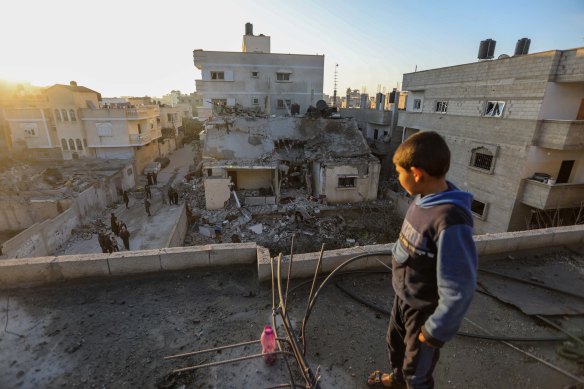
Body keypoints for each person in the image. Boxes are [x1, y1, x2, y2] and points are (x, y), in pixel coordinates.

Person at [367, 131, 477, 389]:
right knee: (395, 346)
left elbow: (459, 288)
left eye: (399, 172)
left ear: (416, 173)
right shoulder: (422, 199)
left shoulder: (450, 220)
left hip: (424, 312)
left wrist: (434, 330)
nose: (397, 177)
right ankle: (396, 380)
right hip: (403, 299)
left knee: (417, 372)